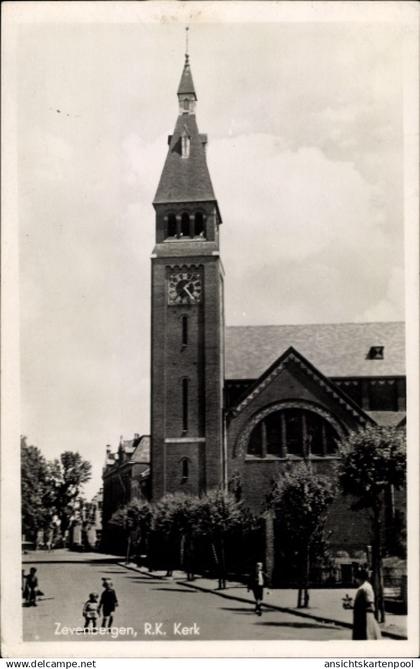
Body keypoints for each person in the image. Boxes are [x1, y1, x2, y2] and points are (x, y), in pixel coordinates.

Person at [352, 568, 382, 640]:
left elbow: (372, 607)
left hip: (365, 619)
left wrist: (358, 608)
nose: (356, 580)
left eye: (356, 578)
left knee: (366, 637)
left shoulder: (365, 588)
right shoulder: (364, 587)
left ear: (360, 578)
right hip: (361, 618)